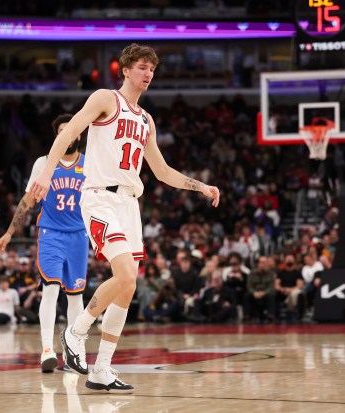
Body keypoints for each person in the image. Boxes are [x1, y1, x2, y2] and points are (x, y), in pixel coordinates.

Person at [28, 43, 220, 393]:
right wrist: (46, 172)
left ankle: (102, 368)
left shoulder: (146, 119)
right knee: (126, 273)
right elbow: (70, 131)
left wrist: (199, 186)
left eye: (152, 69)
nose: (148, 73)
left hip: (130, 204)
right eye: (143, 67)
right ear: (126, 69)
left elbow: (160, 171)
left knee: (128, 286)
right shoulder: (105, 98)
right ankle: (76, 331)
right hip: (100, 197)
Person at [0, 114, 88, 373]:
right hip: (51, 234)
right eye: (61, 131)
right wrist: (9, 232)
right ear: (56, 136)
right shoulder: (44, 163)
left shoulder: (90, 165)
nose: (67, 135)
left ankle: (75, 352)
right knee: (50, 290)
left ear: (78, 134)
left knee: (76, 296)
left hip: (79, 236)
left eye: (70, 130)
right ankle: (47, 349)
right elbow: (27, 202)